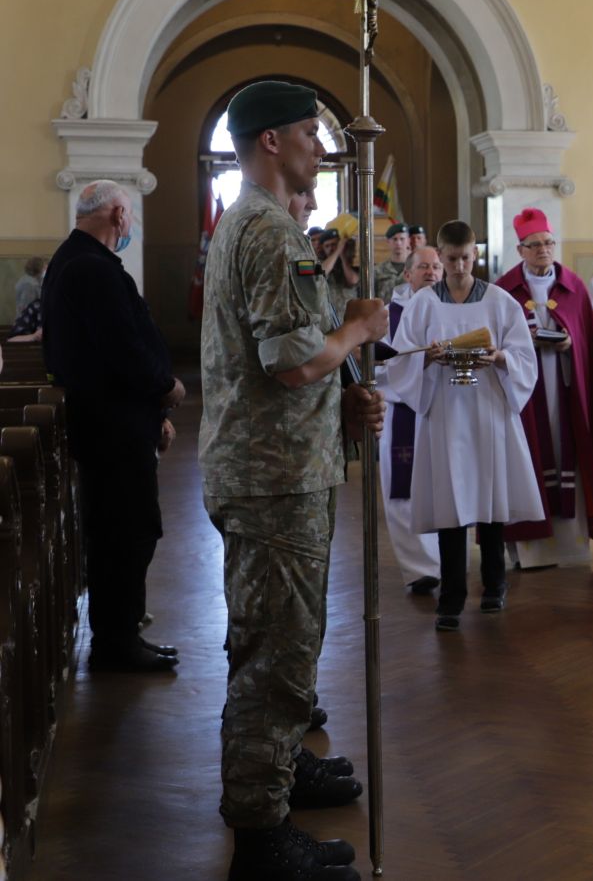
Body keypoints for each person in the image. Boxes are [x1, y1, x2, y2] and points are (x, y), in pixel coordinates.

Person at [200, 80, 388, 880]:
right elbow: (288, 362)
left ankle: (280, 770)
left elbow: (289, 355)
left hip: (281, 465)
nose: (323, 144)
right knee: (274, 656)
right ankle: (262, 834)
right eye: (311, 131)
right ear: (270, 141)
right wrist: (356, 331)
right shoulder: (270, 232)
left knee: (285, 639)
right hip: (272, 476)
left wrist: (342, 402)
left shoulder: (260, 223)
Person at [42, 180, 184, 672]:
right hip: (112, 429)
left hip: (114, 423)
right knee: (127, 532)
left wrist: (154, 415)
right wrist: (164, 389)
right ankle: (117, 643)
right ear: (119, 215)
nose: (131, 226)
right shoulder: (90, 267)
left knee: (123, 530)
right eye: (131, 217)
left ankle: (119, 634)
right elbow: (122, 349)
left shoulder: (79, 261)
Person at [387, 220, 542, 631]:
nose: (458, 267)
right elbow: (401, 358)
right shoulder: (423, 304)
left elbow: (524, 356)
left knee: (490, 497)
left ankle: (494, 585)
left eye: (466, 258)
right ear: (440, 256)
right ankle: (451, 597)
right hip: (444, 413)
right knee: (449, 503)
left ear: (476, 255)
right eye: (451, 259)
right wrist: (427, 357)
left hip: (488, 408)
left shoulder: (500, 301)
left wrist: (499, 358)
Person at [495, 207, 593, 569]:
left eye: (548, 243)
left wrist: (571, 342)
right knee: (529, 456)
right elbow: (496, 340)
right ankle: (530, 550)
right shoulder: (504, 290)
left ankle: (570, 547)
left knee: (568, 452)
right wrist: (521, 344)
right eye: (535, 244)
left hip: (566, 386)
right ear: (520, 250)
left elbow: (586, 339)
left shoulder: (573, 286)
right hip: (524, 395)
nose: (543, 249)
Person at [377, 246, 443, 595]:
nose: (431, 272)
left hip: (445, 410)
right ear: (407, 275)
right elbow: (378, 366)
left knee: (445, 485)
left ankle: (447, 560)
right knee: (403, 492)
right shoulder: (389, 316)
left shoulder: (453, 308)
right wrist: (421, 363)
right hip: (403, 411)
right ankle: (421, 568)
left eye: (436, 267)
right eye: (423, 267)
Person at [373, 222, 412, 302]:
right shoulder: (378, 270)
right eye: (394, 239)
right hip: (385, 309)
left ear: (408, 241)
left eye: (402, 239)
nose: (398, 243)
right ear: (388, 242)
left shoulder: (415, 267)